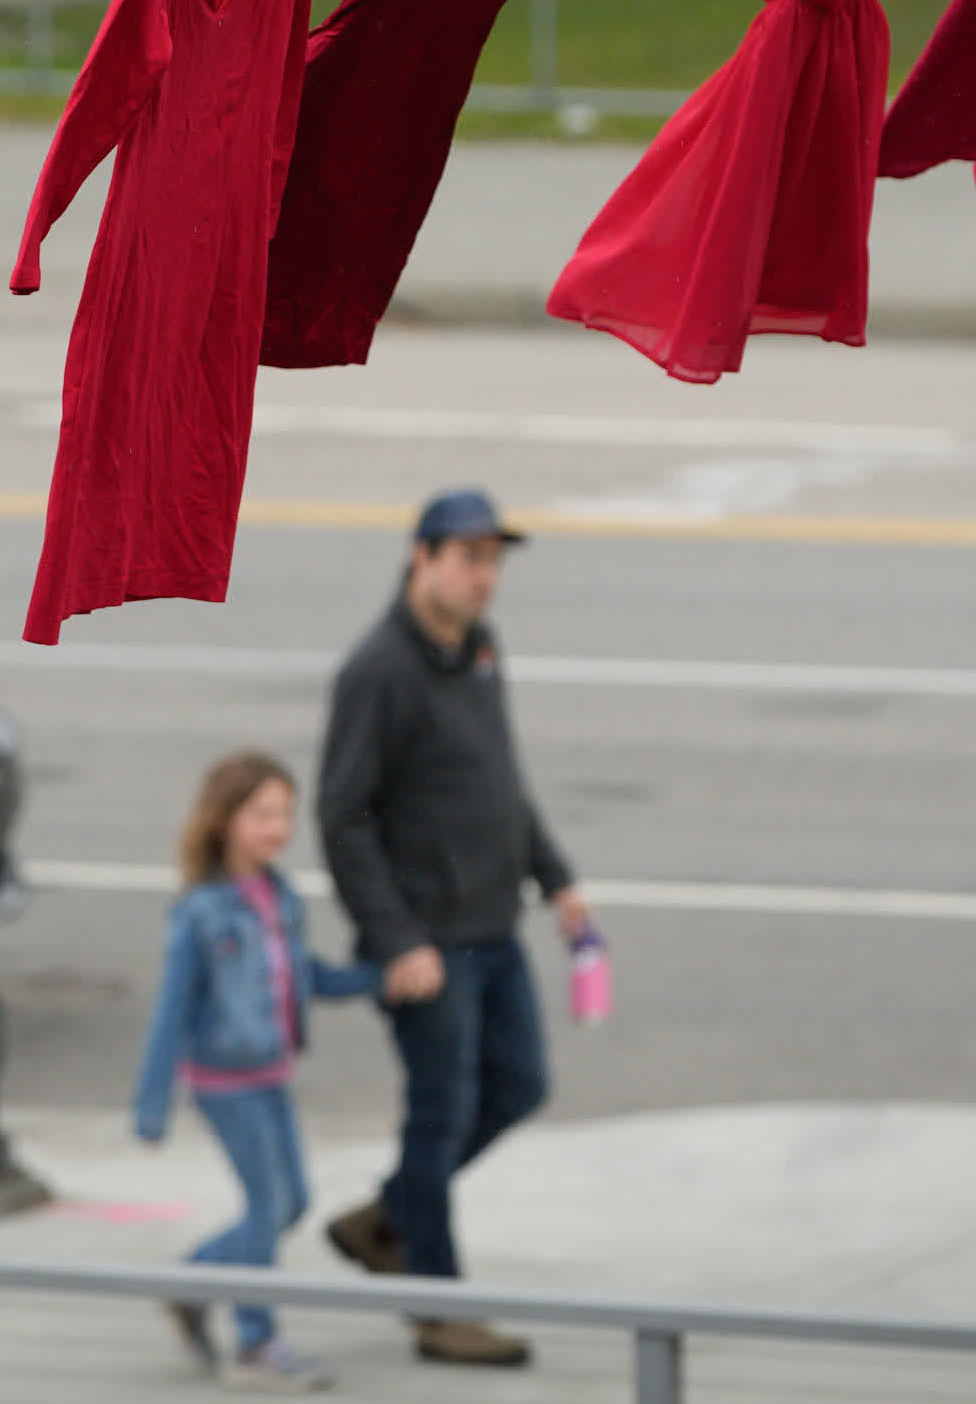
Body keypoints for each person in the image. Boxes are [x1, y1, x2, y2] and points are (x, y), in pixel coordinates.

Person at [316, 488, 587, 1370]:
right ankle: (436, 1306)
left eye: (493, 561)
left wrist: (556, 878)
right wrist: (397, 941)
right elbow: (342, 817)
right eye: (468, 558)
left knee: (519, 1084)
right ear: (420, 558)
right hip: (427, 945)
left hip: (491, 926)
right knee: (440, 1115)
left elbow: (502, 778)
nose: (484, 577)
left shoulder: (477, 649)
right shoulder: (378, 671)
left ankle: (390, 1214)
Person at [134, 752, 378, 1393]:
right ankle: (257, 1341)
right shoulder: (201, 912)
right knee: (268, 1205)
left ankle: (190, 1282)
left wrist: (377, 977)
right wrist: (151, 1103)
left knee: (291, 1202)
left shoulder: (280, 895)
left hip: (272, 1075)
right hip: (224, 1085)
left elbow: (308, 975)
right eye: (262, 814)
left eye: (285, 814)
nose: (278, 828)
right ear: (224, 820)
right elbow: (171, 1011)